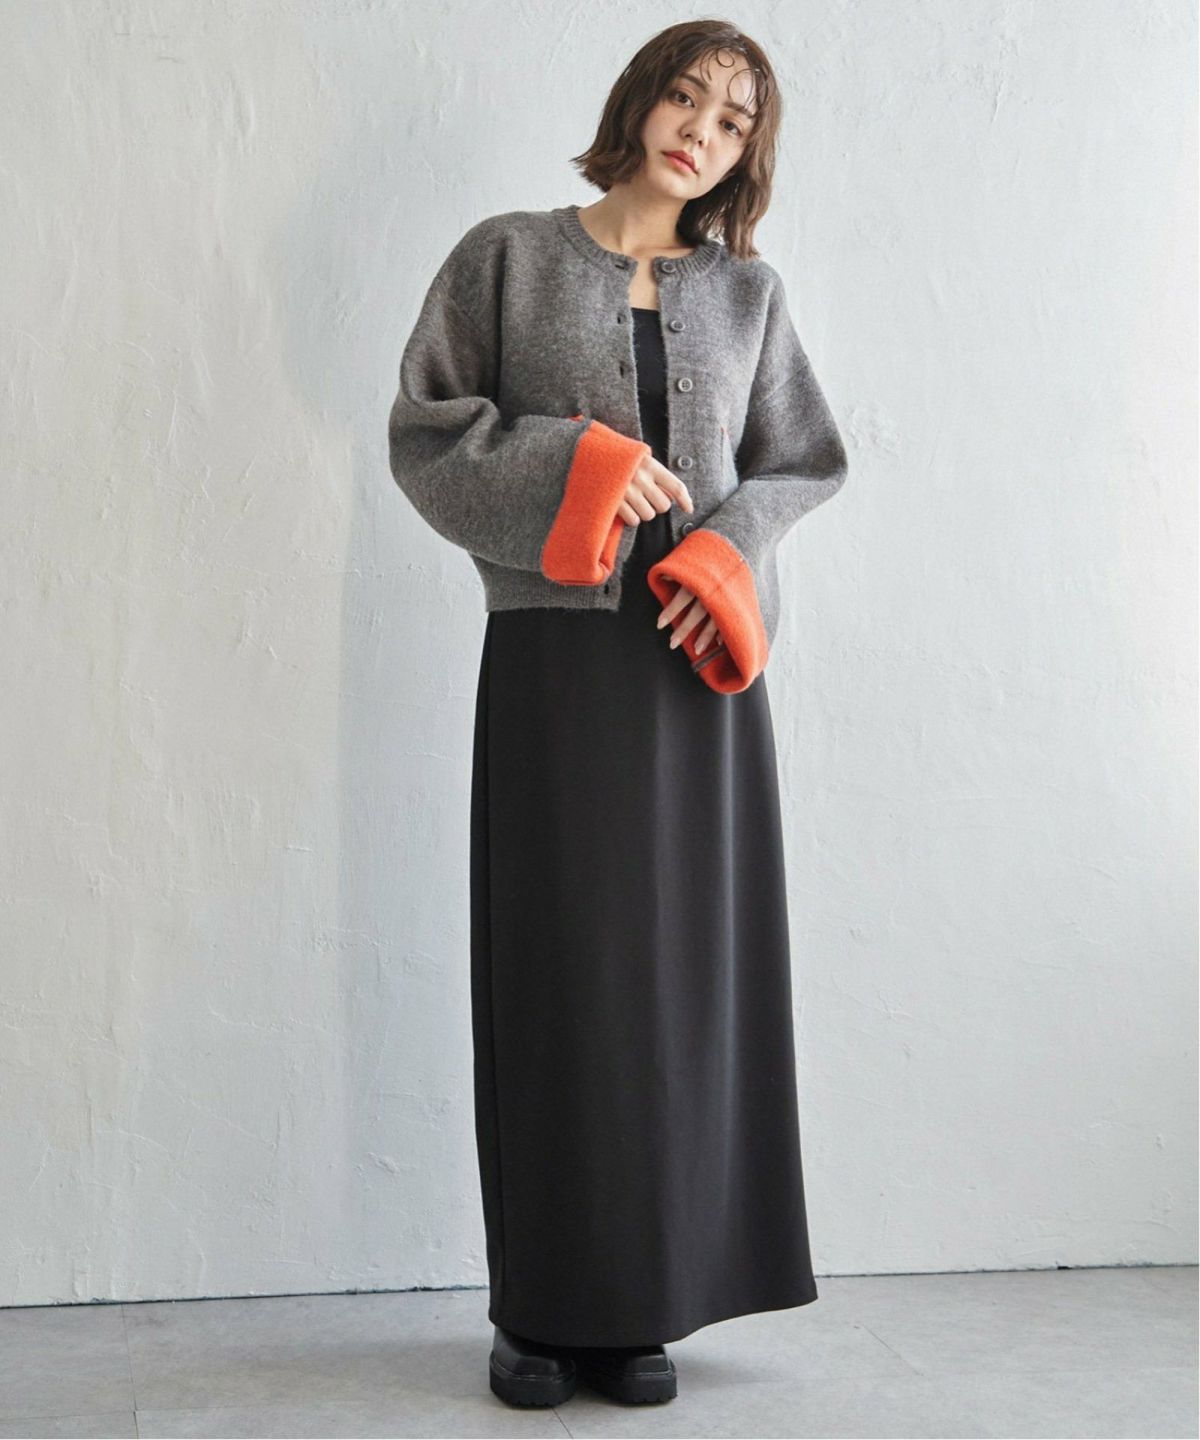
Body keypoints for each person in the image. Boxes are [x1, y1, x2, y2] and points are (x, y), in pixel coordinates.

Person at [387, 18, 850, 1409]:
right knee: (557, 979)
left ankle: (643, 1301)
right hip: (555, 665)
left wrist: (725, 559)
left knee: (678, 993)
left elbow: (803, 463)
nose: (700, 128)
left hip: (696, 676)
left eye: (732, 118)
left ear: (746, 154)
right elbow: (425, 431)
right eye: (685, 95)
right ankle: (540, 1310)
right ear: (641, 101)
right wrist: (579, 467)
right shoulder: (508, 257)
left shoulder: (750, 297)